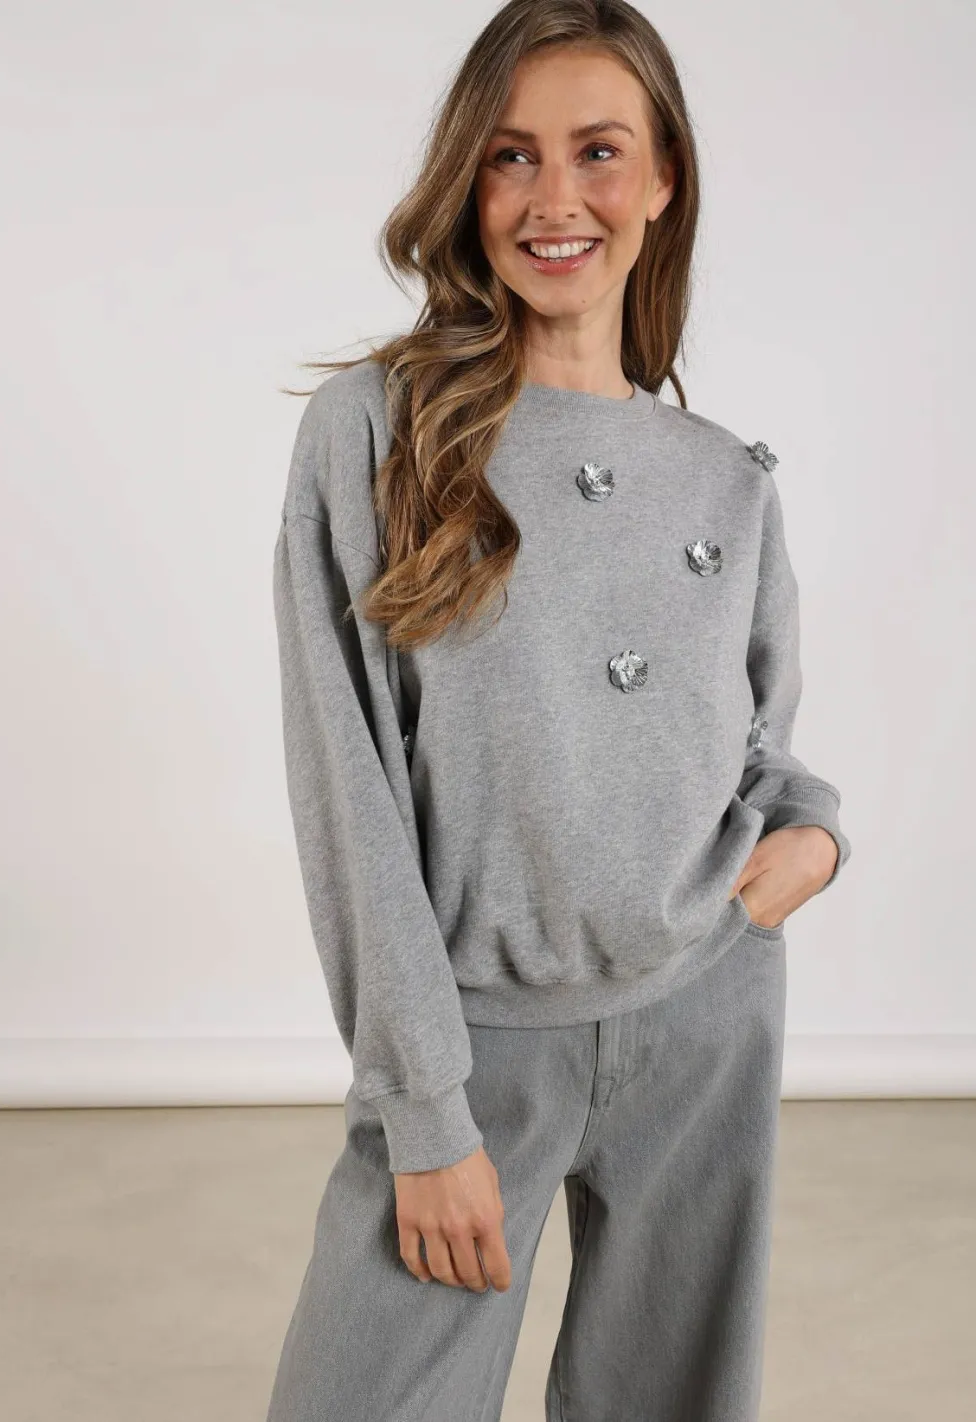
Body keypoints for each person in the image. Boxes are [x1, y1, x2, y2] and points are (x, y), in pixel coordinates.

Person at [264, 2, 851, 1419]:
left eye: (598, 151)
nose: (553, 199)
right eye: (511, 156)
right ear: (468, 182)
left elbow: (756, 745)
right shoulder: (380, 431)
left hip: (706, 1013)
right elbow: (350, 780)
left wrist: (815, 836)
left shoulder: (728, 476)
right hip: (475, 1041)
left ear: (662, 182)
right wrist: (424, 1109)